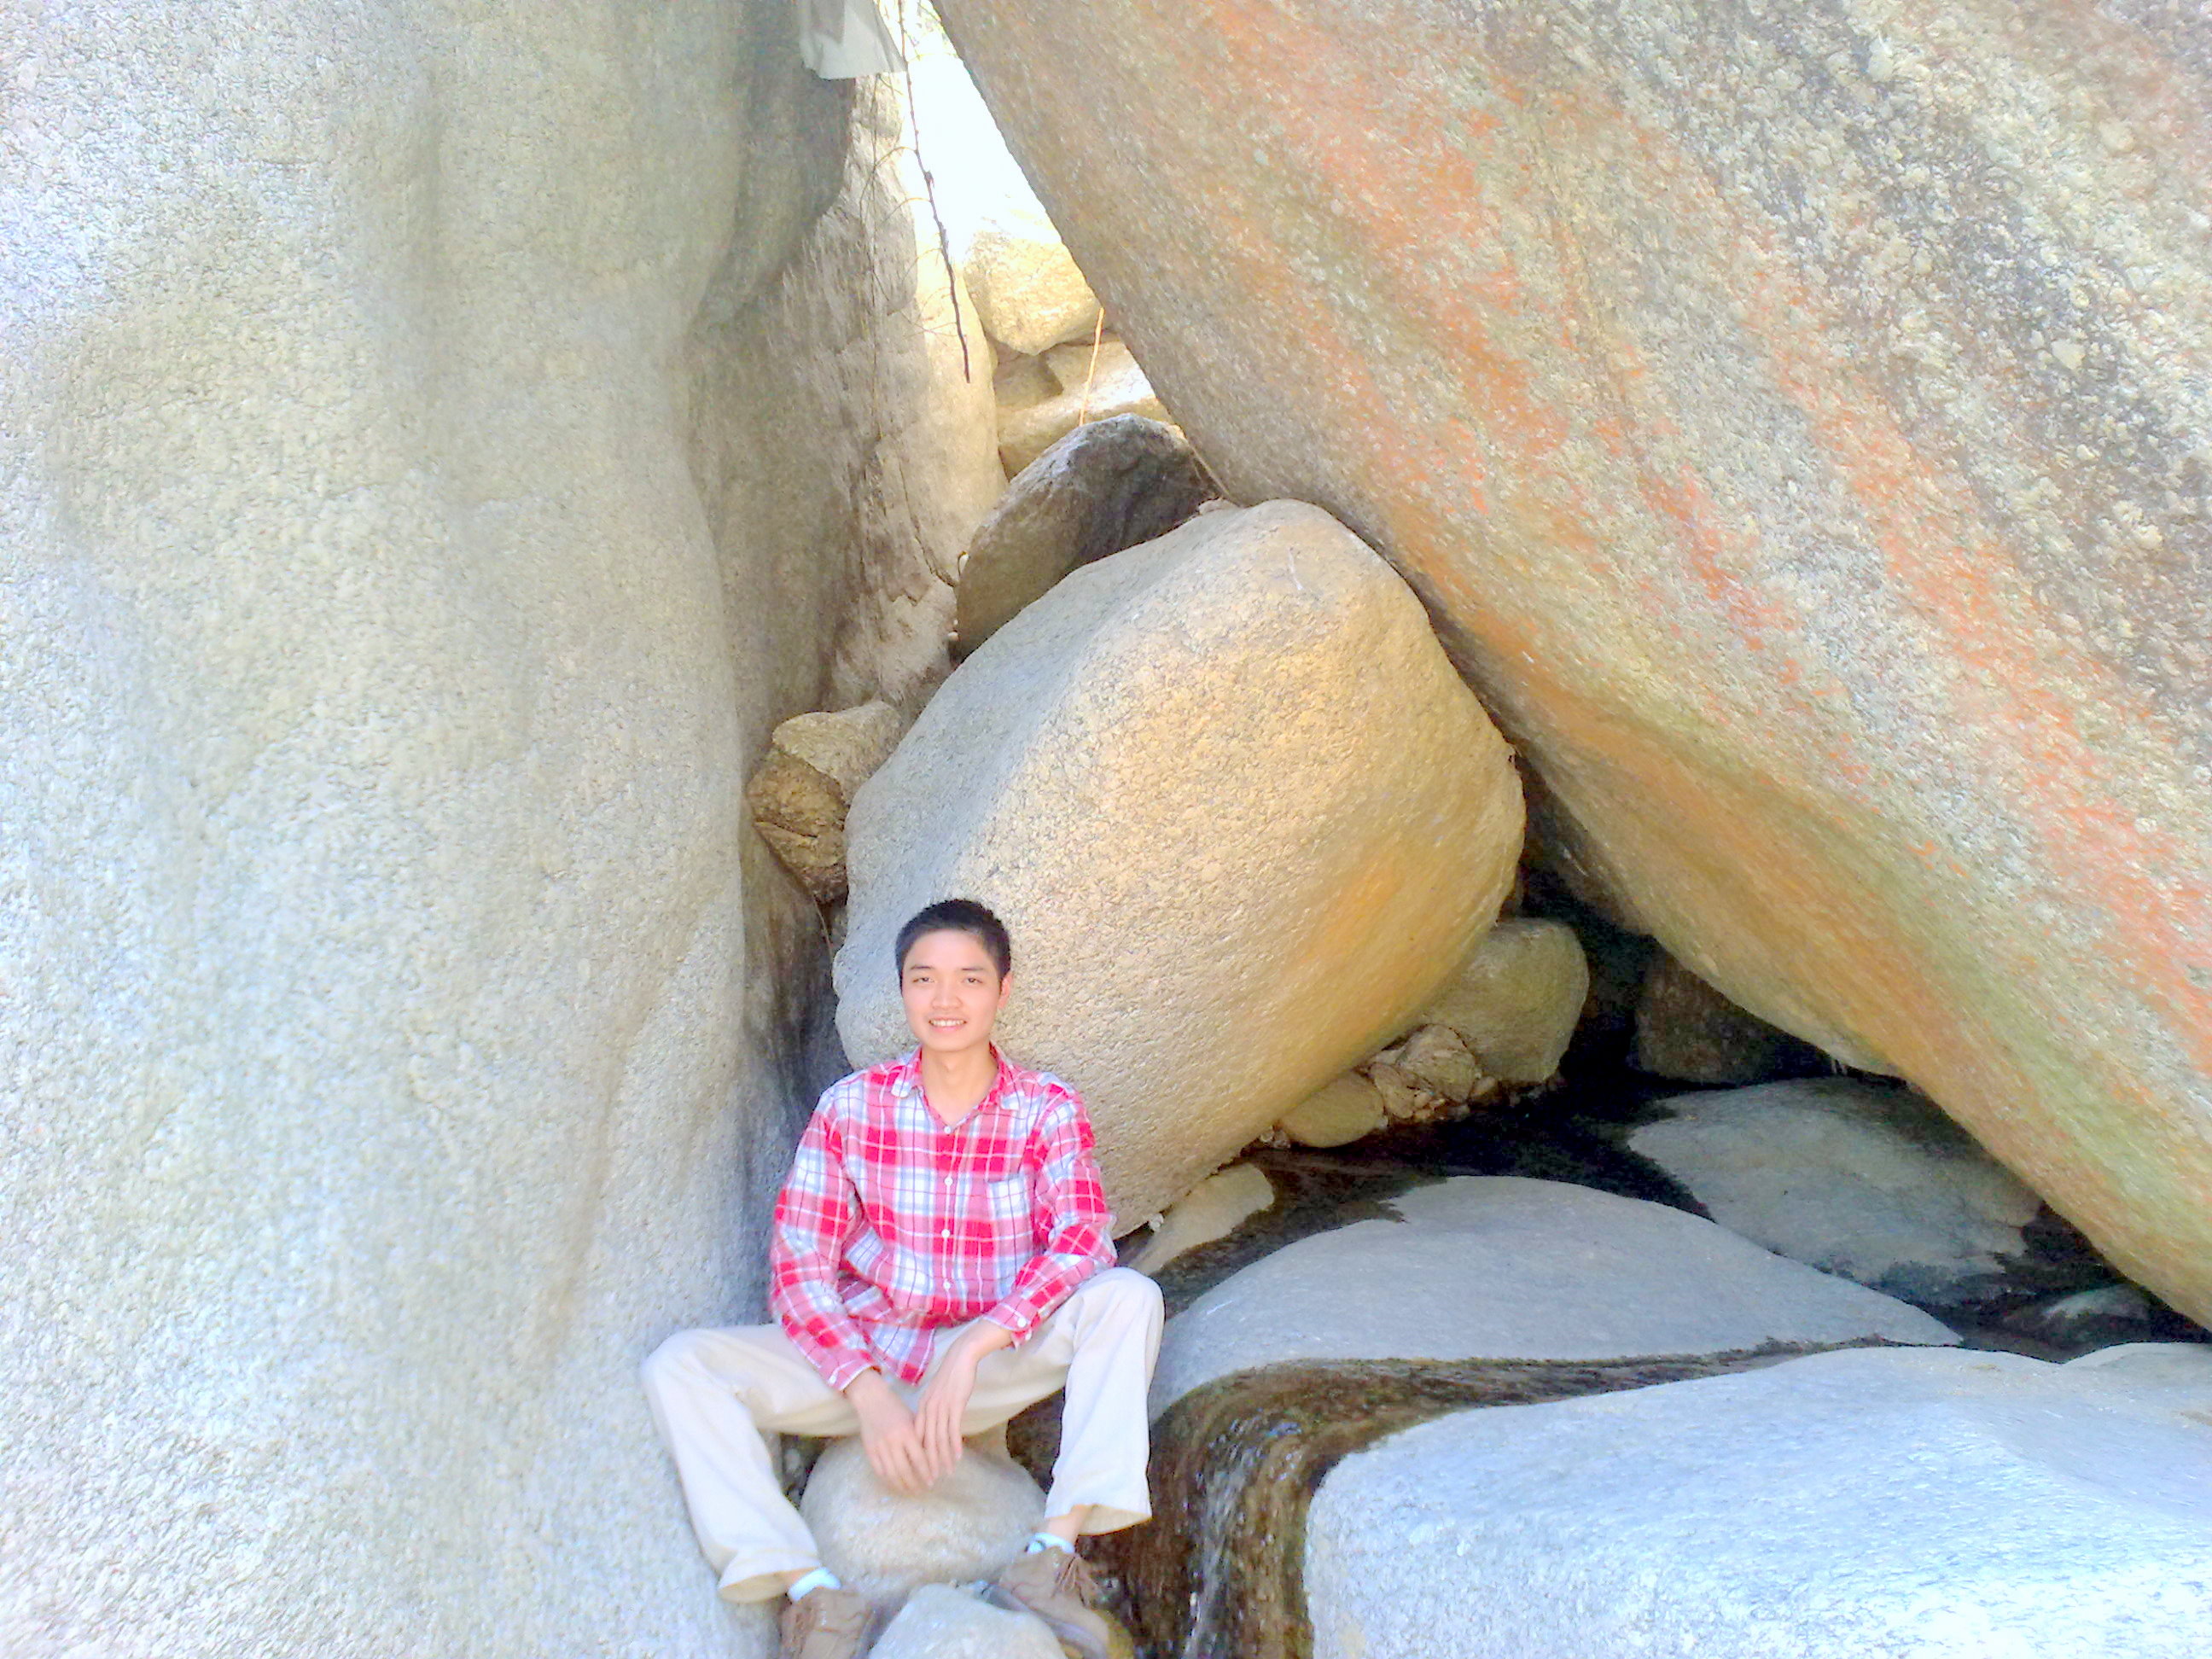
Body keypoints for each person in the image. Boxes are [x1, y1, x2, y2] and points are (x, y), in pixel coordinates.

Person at [642, 898, 1162, 1659]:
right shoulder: (851, 1109)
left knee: (1128, 1298)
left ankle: (1048, 1558)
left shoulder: (1046, 1108)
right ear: (903, 990)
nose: (945, 999)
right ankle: (815, 1593)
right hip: (867, 1359)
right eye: (925, 979)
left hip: (986, 1366)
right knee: (681, 1366)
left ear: (1003, 990)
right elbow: (798, 1267)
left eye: (969, 979)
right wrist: (867, 1393)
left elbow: (1083, 1240)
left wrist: (976, 1346)